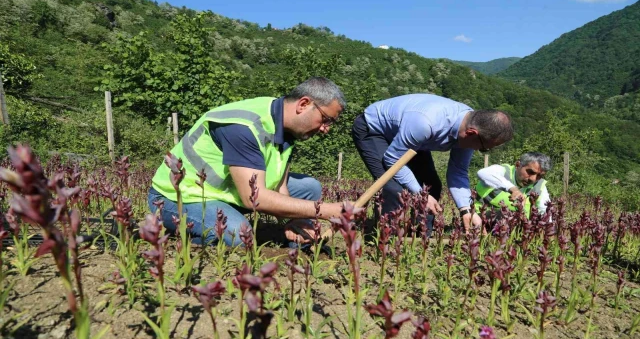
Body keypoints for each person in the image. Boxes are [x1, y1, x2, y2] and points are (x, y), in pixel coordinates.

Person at [148, 77, 347, 247]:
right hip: (179, 197)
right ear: (303, 104)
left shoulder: (286, 125)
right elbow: (255, 197)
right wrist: (327, 210)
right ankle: (167, 232)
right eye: (325, 119)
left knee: (309, 188)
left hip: (230, 191)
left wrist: (295, 221)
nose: (326, 129)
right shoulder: (244, 127)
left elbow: (280, 187)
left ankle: (301, 244)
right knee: (239, 235)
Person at [351, 94, 514, 231]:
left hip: (411, 140)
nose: (480, 151)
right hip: (374, 130)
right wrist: (421, 195)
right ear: (471, 133)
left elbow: (458, 171)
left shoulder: (470, 127)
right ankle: (384, 237)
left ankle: (420, 234)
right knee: (394, 187)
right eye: (484, 148)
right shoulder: (425, 123)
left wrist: (466, 210)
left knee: (432, 185)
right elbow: (393, 159)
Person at [475, 152, 551, 218]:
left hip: (517, 229)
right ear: (518, 165)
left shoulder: (539, 185)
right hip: (477, 219)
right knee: (505, 215)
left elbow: (544, 211)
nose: (533, 179)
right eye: (530, 172)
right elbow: (482, 173)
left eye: (539, 176)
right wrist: (512, 189)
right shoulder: (503, 171)